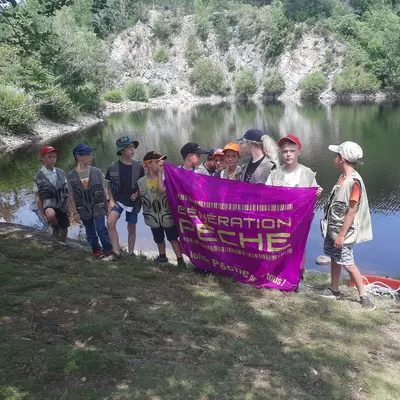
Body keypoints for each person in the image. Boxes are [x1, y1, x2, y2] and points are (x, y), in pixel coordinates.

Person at [320, 141, 375, 310]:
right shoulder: (342, 178)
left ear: (342, 159)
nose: (334, 159)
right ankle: (334, 289)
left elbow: (352, 211)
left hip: (343, 232)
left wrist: (342, 235)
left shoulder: (354, 181)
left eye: (336, 156)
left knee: (348, 263)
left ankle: (363, 295)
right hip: (334, 229)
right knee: (335, 258)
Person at [266, 135, 323, 291]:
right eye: (285, 151)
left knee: (299, 247)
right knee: (279, 246)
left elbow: (312, 199)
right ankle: (277, 275)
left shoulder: (308, 174)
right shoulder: (275, 174)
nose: (288, 154)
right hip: (279, 220)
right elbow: (266, 196)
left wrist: (316, 194)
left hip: (300, 220)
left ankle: (299, 276)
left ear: (299, 152)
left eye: (292, 151)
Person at [137, 151, 186, 268]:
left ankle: (180, 261)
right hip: (152, 217)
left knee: (173, 238)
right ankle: (162, 256)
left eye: (162, 161)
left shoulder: (166, 179)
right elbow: (142, 195)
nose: (161, 164)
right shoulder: (140, 182)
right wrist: (136, 195)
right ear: (148, 164)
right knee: (158, 239)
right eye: (157, 161)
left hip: (167, 216)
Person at [67, 144, 114, 260]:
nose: (91, 157)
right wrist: (74, 212)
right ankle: (96, 250)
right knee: (90, 231)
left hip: (99, 206)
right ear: (79, 157)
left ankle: (108, 249)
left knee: (101, 228)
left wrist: (107, 205)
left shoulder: (97, 172)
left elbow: (104, 189)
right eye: (88, 154)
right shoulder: (70, 176)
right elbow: (70, 195)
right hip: (83, 209)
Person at [105, 136, 144, 258]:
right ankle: (116, 252)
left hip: (133, 203)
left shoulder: (139, 166)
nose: (133, 150)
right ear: (122, 150)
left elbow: (143, 184)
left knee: (131, 227)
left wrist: (137, 194)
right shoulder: (113, 166)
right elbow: (109, 185)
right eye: (129, 147)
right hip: (118, 201)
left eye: (133, 147)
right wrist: (111, 200)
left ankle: (131, 253)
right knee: (110, 222)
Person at [33, 145, 69, 242]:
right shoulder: (38, 177)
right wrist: (42, 214)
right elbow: (38, 198)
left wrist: (70, 206)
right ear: (42, 159)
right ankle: (55, 227)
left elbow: (67, 190)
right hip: (48, 203)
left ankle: (62, 245)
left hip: (61, 203)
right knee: (50, 214)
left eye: (54, 157)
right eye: (49, 157)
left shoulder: (60, 172)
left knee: (65, 228)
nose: (53, 159)